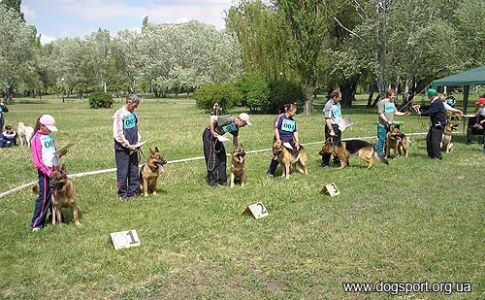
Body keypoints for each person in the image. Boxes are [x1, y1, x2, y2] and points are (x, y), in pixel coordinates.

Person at [30, 115, 67, 231]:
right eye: (48, 127)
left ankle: (56, 217)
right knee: (44, 197)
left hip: (54, 172)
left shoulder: (50, 137)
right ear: (42, 125)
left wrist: (60, 154)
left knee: (55, 196)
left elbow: (52, 154)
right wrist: (48, 172)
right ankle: (36, 224)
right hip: (46, 173)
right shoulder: (36, 139)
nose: (50, 129)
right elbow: (38, 162)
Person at [202, 112, 251, 186]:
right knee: (211, 158)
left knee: (222, 158)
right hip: (209, 134)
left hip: (218, 137)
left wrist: (236, 150)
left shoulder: (235, 127)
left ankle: (223, 181)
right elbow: (212, 118)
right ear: (240, 120)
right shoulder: (228, 119)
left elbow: (235, 139)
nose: (244, 126)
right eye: (244, 124)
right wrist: (212, 131)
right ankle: (213, 183)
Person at [113, 94, 142, 200]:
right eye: (135, 105)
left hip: (134, 147)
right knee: (123, 171)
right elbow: (118, 133)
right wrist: (127, 145)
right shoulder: (119, 114)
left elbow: (136, 129)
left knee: (134, 169)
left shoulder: (133, 114)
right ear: (129, 102)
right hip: (123, 148)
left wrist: (137, 142)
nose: (136, 107)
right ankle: (122, 194)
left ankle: (133, 193)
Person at [267, 103, 301, 176]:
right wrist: (278, 139)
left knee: (292, 154)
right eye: (294, 112)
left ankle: (288, 170)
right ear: (289, 111)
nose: (295, 114)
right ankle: (270, 172)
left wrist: (297, 141)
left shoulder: (293, 121)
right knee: (276, 156)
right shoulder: (280, 117)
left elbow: (294, 131)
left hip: (289, 141)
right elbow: (276, 128)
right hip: (280, 141)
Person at [376, 89, 411, 158]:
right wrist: (386, 121)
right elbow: (380, 113)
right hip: (382, 125)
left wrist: (404, 114)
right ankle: (378, 155)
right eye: (394, 95)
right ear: (389, 95)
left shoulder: (392, 103)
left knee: (389, 141)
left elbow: (395, 112)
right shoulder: (382, 102)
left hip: (390, 126)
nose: (395, 97)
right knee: (381, 140)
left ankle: (387, 154)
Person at [415, 88, 446, 159]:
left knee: (435, 140)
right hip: (435, 123)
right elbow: (431, 107)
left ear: (431, 96)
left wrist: (421, 113)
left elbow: (431, 111)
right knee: (429, 139)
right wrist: (421, 106)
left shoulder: (437, 102)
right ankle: (431, 154)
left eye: (429, 96)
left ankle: (437, 156)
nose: (428, 98)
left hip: (439, 124)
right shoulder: (436, 101)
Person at [321, 90, 343, 168]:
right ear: (334, 97)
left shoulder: (338, 104)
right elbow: (327, 119)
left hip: (338, 126)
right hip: (331, 126)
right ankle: (325, 163)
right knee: (329, 145)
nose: (341, 99)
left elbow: (339, 115)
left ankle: (336, 159)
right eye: (339, 97)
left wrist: (343, 123)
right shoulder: (328, 105)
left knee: (337, 144)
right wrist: (331, 130)